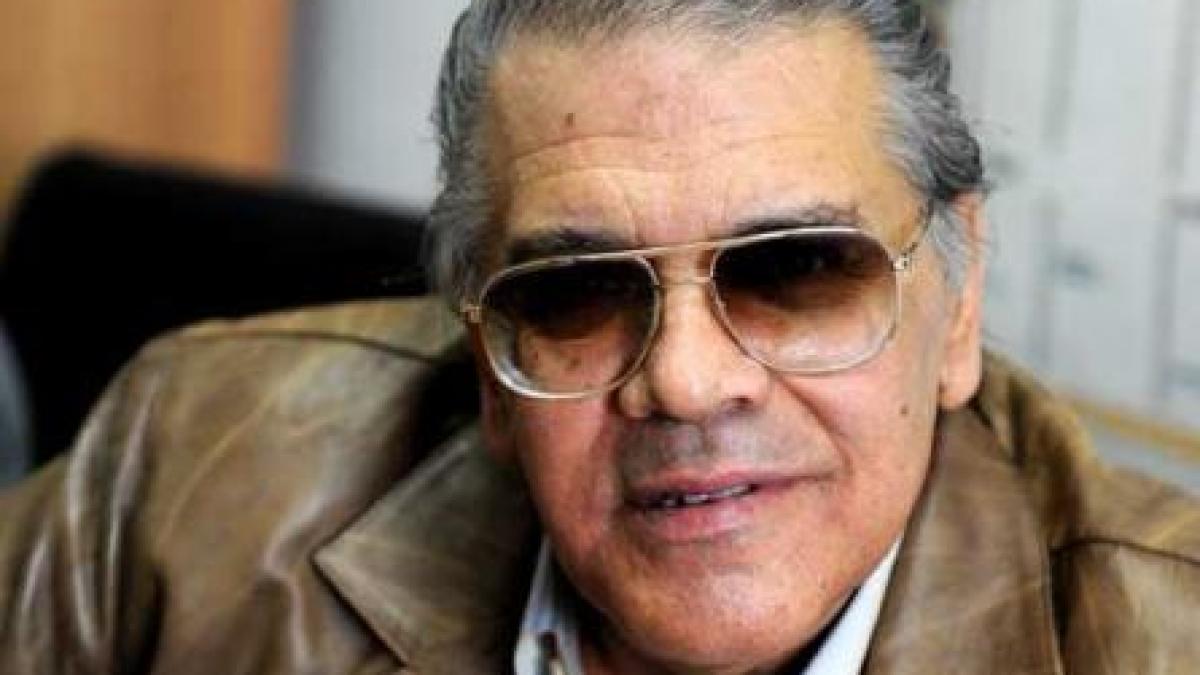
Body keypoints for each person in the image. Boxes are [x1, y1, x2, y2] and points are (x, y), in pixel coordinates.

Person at [1, 1, 1198, 673]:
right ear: (484, 352)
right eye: (576, 292)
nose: (686, 381)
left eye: (796, 269)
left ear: (959, 296)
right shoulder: (182, 468)